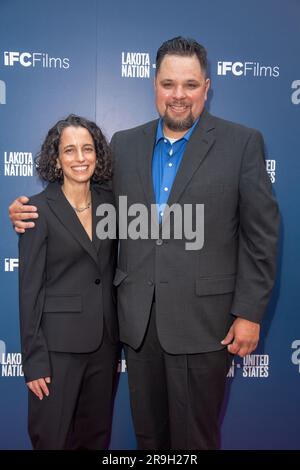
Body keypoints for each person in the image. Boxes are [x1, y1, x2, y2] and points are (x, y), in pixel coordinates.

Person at [9, 37, 279, 450]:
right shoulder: (125, 144)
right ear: (154, 85)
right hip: (137, 328)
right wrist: (32, 210)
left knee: (194, 441)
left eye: (190, 85)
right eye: (169, 84)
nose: (178, 96)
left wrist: (249, 313)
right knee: (149, 440)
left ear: (207, 87)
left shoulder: (242, 143)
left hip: (204, 327)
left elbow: (261, 235)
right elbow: (85, 204)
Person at [17, 114, 119, 450]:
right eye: (70, 150)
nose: (80, 158)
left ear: (97, 155)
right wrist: (33, 362)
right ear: (56, 159)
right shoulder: (37, 210)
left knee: (94, 438)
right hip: (56, 351)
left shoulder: (112, 205)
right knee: (52, 439)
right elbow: (29, 291)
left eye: (87, 149)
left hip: (105, 347)